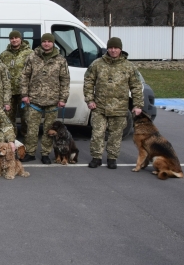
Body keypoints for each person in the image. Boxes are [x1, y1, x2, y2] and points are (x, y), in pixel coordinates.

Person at [84, 37, 143, 169]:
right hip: (99, 106)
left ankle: (112, 158)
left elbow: (136, 86)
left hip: (119, 108)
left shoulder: (129, 66)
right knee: (97, 133)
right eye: (111, 48)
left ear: (120, 49)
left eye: (116, 48)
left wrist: (138, 104)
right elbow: (88, 82)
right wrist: (90, 100)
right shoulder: (97, 64)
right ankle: (96, 157)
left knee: (116, 135)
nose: (113, 50)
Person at [20, 33, 70, 164]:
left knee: (49, 130)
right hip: (34, 100)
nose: (46, 43)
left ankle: (45, 154)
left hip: (52, 101)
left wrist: (63, 98)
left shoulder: (60, 60)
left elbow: (65, 80)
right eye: (44, 41)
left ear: (53, 43)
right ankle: (30, 152)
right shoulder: (32, 57)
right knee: (31, 129)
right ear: (41, 43)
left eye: (49, 41)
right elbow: (24, 76)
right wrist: (24, 95)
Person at [0, 30, 33, 137]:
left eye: (16, 38)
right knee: (9, 118)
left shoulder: (30, 53)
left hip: (24, 92)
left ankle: (27, 141)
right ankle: (12, 140)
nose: (14, 40)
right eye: (12, 38)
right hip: (9, 92)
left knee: (26, 118)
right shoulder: (4, 55)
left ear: (20, 39)